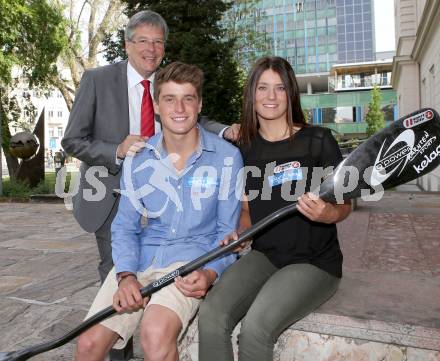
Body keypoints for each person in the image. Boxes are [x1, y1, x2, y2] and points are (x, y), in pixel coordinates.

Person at [75, 61, 243, 361]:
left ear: (199, 103)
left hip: (191, 261)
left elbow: (226, 234)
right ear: (155, 105)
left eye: (188, 98)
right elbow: (125, 226)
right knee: (87, 345)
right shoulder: (139, 159)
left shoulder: (227, 157)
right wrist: (126, 275)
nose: (179, 107)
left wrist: (209, 273)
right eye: (169, 98)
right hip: (142, 259)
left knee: (154, 333)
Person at [61, 10, 240, 285]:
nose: (151, 49)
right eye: (143, 41)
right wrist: (117, 150)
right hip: (113, 192)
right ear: (127, 45)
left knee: (165, 267)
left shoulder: (168, 82)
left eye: (158, 42)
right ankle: (124, 326)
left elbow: (192, 118)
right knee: (119, 273)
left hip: (167, 191)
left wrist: (225, 131)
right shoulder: (97, 80)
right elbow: (72, 140)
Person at [198, 56, 352, 361]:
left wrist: (328, 213)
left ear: (290, 93)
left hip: (314, 262)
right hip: (264, 255)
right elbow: (246, 209)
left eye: (279, 88)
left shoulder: (317, 140)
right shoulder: (244, 148)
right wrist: (240, 235)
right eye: (263, 88)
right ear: (251, 95)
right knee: (212, 314)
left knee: (256, 327)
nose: (271, 97)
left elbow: (345, 203)